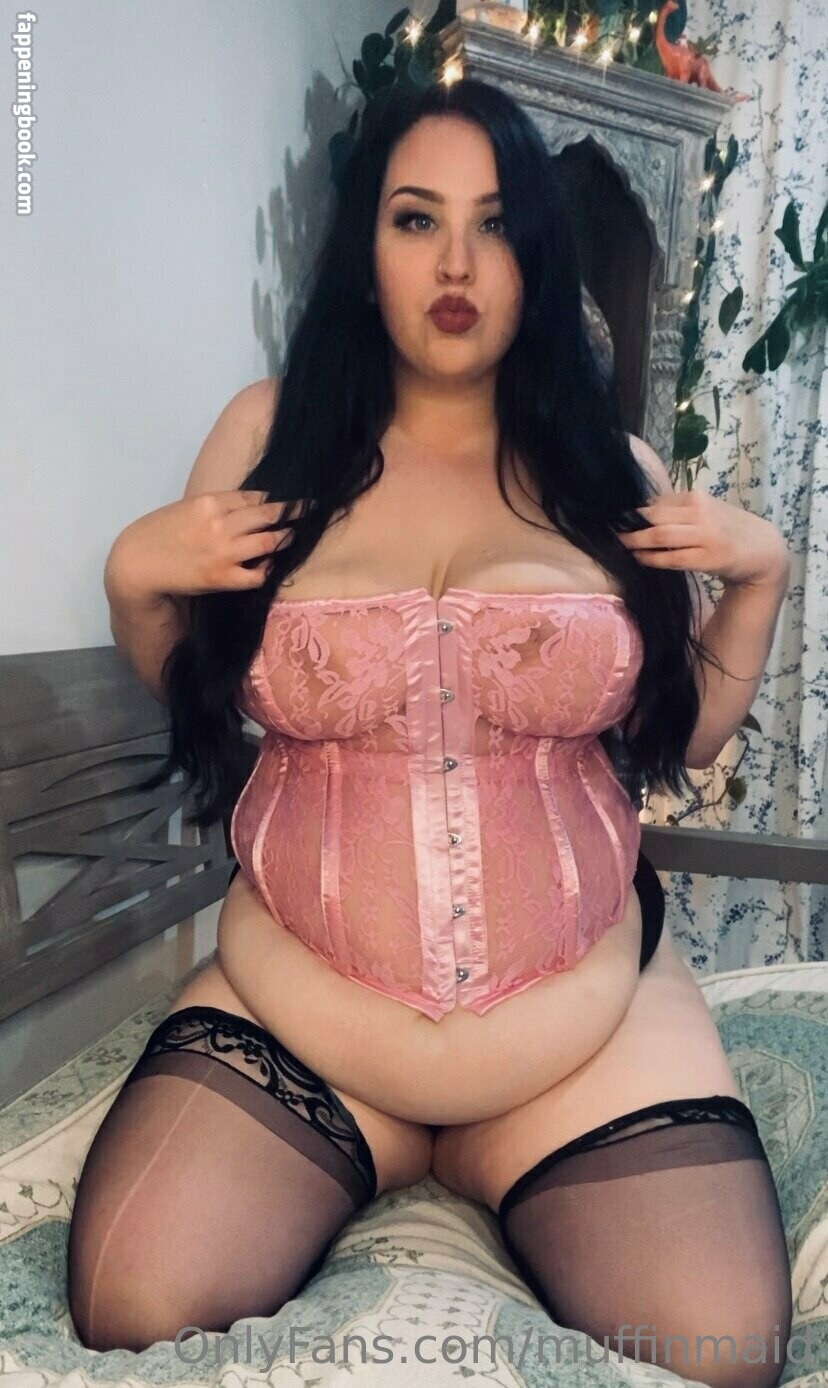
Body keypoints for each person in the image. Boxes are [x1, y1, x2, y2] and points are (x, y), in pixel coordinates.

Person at [68, 78, 793, 1383]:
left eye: (495, 223)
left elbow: (686, 737)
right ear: (366, 252)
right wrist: (133, 581)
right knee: (136, 1295)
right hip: (303, 1024)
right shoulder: (266, 436)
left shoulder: (612, 470)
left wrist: (762, 581)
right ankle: (398, 1143)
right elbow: (202, 681)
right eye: (417, 219)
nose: (457, 263)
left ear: (537, 258)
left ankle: (491, 1148)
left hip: (581, 1032)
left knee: (721, 1345)